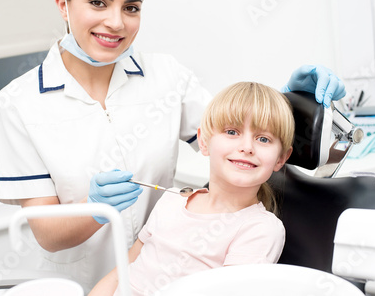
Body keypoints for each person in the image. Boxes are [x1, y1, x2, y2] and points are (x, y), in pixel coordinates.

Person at [0, 0, 345, 292]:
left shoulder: (167, 78)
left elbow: (236, 134)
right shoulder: (17, 104)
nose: (116, 22)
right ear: (63, 5)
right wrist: (94, 206)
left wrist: (291, 101)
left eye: (131, 7)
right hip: (84, 283)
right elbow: (48, 235)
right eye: (98, 3)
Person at [89, 82, 295, 295]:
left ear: (281, 158)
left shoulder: (259, 230)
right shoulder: (172, 200)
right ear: (203, 142)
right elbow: (119, 274)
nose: (247, 147)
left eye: (263, 139)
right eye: (232, 132)